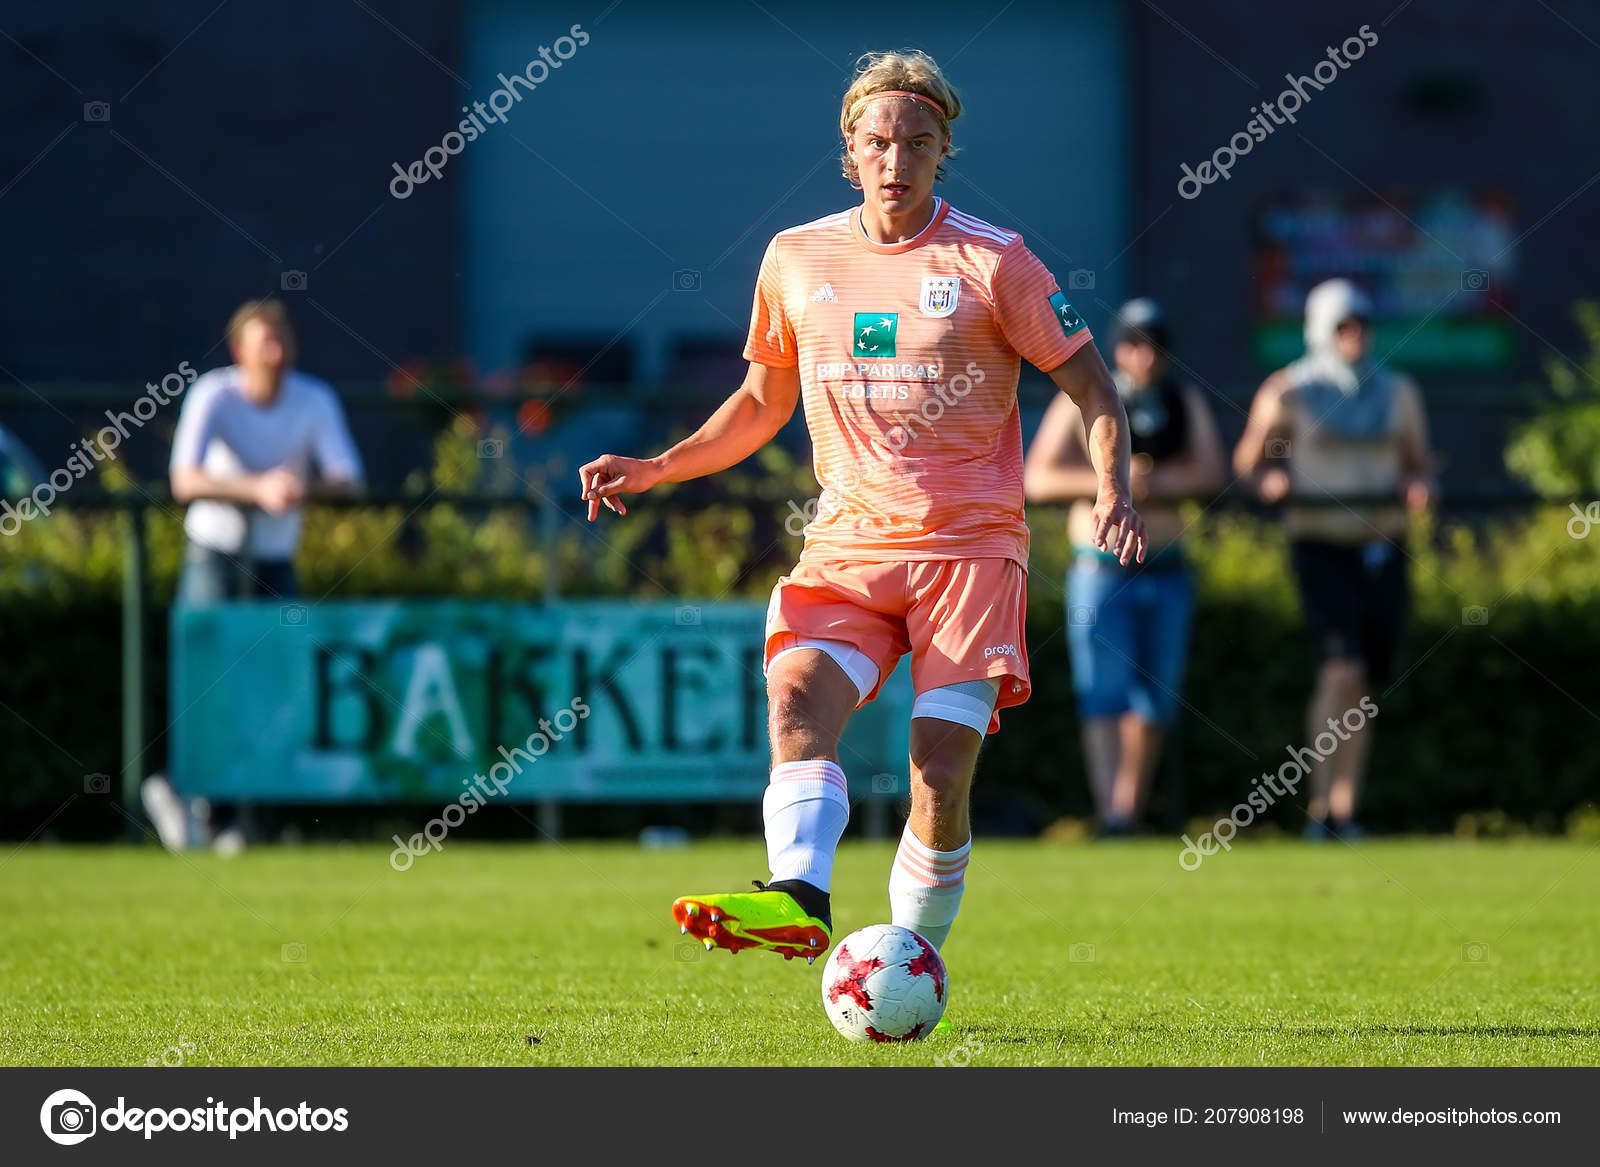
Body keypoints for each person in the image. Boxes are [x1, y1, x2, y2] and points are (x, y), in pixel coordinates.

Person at [578, 49, 1144, 989]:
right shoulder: (796, 257)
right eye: (879, 141)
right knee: (796, 695)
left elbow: (1094, 391)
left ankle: (910, 966)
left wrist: (1112, 488)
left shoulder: (995, 260)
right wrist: (661, 465)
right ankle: (801, 899)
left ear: (941, 150)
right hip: (846, 546)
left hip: (969, 552)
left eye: (917, 142)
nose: (897, 158)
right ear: (849, 149)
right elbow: (759, 404)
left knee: (938, 776)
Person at [140, 298, 364, 852]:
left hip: (275, 560)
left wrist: (297, 490)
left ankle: (242, 819)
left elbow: (348, 482)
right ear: (240, 349)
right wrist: (257, 489)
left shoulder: (314, 399)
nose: (277, 351)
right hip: (214, 554)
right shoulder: (213, 394)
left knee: (276, 681)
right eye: (265, 340)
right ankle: (186, 795)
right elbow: (185, 481)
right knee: (206, 682)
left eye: (283, 339)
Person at [1233, 278, 1433, 839]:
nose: (1356, 337)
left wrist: (1418, 486)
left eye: (1363, 326)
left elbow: (1416, 462)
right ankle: (1320, 806)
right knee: (1339, 668)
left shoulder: (1397, 393)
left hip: (1384, 549)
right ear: (1321, 330)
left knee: (1366, 682)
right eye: (1343, 327)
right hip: (1320, 546)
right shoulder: (1290, 393)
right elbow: (1254, 460)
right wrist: (1273, 478)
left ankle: (1346, 808)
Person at [1024, 298, 1224, 835]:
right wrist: (1114, 482)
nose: (1145, 359)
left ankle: (1128, 809)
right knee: (1103, 691)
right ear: (1117, 349)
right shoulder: (1085, 398)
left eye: (1155, 347)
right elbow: (1038, 478)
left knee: (1154, 696)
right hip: (1101, 571)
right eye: (1135, 345)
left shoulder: (1182, 401)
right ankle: (1109, 809)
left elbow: (1211, 471)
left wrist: (1155, 483)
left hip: (1166, 567)